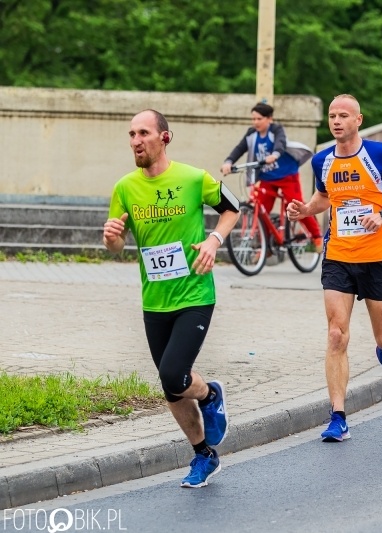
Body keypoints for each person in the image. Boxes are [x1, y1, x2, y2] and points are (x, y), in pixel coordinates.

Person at [103, 109, 240, 488]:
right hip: (154, 301)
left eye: (143, 133)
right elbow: (116, 246)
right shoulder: (124, 188)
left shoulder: (194, 178)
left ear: (164, 137)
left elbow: (233, 208)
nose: (135, 141)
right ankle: (203, 455)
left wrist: (213, 241)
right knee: (171, 388)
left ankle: (209, 395)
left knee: (173, 374)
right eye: (131, 134)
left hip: (195, 294)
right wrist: (112, 237)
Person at [287, 94, 382, 441]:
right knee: (336, 334)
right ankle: (337, 416)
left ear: (358, 120)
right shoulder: (321, 160)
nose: (336, 121)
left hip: (377, 257)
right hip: (338, 255)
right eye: (332, 115)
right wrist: (305, 210)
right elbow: (324, 197)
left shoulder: (381, 155)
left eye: (343, 115)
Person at [221, 103, 323, 252]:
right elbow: (239, 148)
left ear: (269, 118)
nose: (255, 122)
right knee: (261, 210)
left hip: (287, 175)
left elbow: (280, 143)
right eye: (253, 119)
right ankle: (267, 247)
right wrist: (228, 162)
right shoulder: (251, 134)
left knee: (297, 205)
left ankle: (317, 236)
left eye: (259, 119)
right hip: (267, 178)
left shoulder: (276, 129)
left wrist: (275, 155)